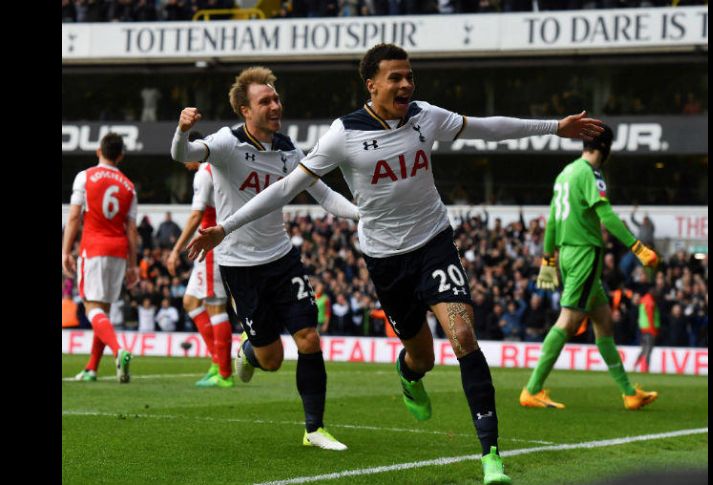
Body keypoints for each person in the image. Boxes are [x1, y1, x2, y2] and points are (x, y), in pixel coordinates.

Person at [186, 43, 604, 484]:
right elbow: (287, 188)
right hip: (385, 260)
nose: (407, 84)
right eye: (396, 78)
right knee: (420, 355)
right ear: (372, 85)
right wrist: (226, 227)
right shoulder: (342, 134)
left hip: (434, 242)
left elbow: (486, 128)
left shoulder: (425, 115)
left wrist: (555, 126)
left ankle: (491, 456)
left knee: (463, 334)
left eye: (409, 76)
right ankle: (409, 374)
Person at [170, 66, 360, 450]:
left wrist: (362, 214)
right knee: (270, 359)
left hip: (282, 257)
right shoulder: (226, 143)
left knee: (309, 338)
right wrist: (181, 128)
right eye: (265, 101)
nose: (276, 105)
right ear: (245, 110)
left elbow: (323, 195)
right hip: (239, 265)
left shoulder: (289, 149)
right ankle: (248, 351)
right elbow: (183, 153)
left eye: (276, 98)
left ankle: (314, 429)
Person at [520, 124, 660, 412]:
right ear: (606, 149)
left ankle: (629, 392)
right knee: (568, 321)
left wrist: (548, 258)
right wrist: (638, 247)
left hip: (568, 254)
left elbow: (553, 219)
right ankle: (532, 389)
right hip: (585, 253)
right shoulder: (590, 173)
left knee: (604, 323)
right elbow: (605, 213)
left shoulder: (565, 174)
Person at [62, 133, 137, 383]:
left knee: (91, 307)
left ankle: (119, 350)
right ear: (121, 156)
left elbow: (74, 217)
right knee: (102, 309)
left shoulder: (85, 177)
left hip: (93, 248)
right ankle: (92, 368)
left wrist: (65, 251)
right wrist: (134, 264)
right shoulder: (128, 186)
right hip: (118, 251)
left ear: (98, 151)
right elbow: (131, 230)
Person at [167, 131, 235, 388]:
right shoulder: (214, 169)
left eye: (185, 153)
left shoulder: (204, 173)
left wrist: (176, 249)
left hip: (211, 245)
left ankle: (225, 373)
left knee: (216, 306)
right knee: (190, 302)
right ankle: (217, 361)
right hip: (211, 243)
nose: (183, 161)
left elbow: (196, 216)